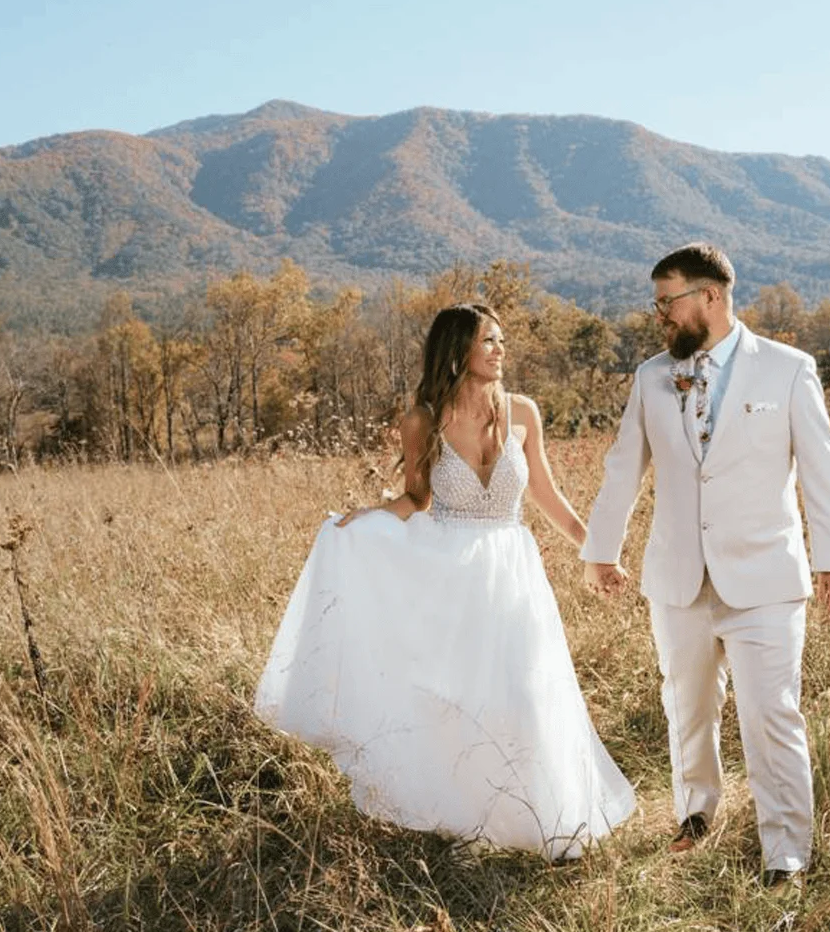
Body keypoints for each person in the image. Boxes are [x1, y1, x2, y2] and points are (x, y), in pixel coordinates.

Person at [255, 302, 636, 861]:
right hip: (449, 576)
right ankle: (471, 821)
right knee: (463, 699)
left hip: (513, 572)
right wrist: (367, 516)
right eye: (488, 341)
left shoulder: (524, 413)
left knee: (526, 690)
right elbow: (417, 498)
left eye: (502, 339)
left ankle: (539, 818)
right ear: (457, 350)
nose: (500, 349)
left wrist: (598, 551)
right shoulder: (423, 419)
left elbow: (546, 497)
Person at [581, 242, 830, 888]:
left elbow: (823, 471)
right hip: (677, 577)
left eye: (667, 303)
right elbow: (624, 466)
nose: (660, 319)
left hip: (765, 579)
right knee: (687, 707)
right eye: (656, 307)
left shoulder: (789, 370)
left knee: (772, 714)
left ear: (711, 296)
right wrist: (601, 549)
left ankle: (785, 853)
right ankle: (696, 813)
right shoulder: (652, 377)